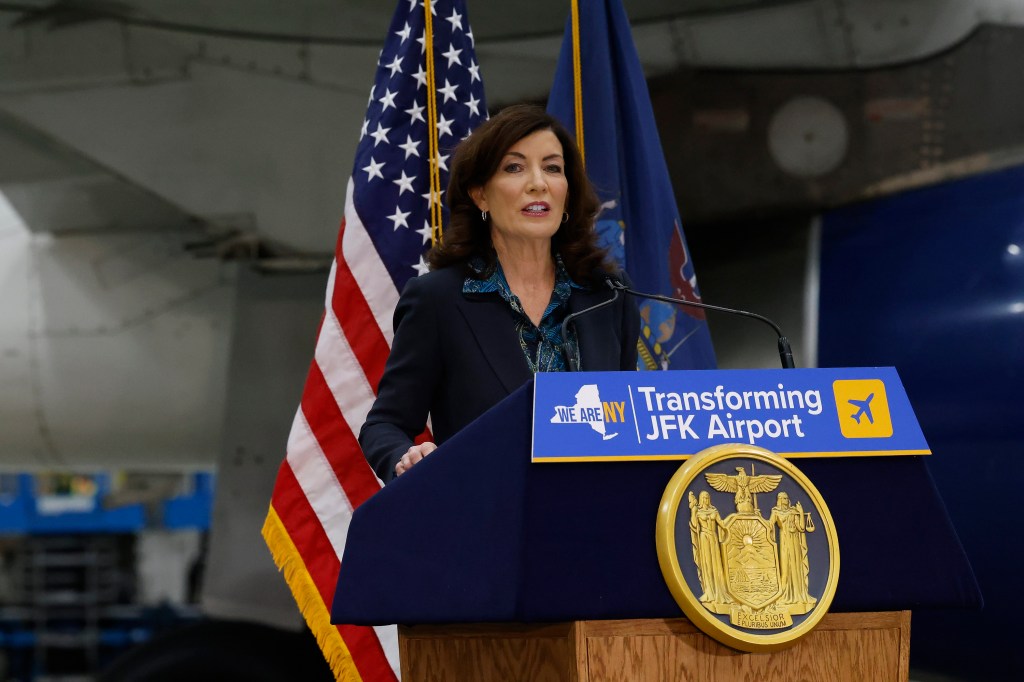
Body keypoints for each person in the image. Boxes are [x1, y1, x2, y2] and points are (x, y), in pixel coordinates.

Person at [359, 104, 640, 482]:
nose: (538, 182)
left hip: (596, 515)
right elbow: (384, 424)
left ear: (567, 193)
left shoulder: (607, 292)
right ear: (481, 196)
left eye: (553, 168)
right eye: (515, 167)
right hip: (490, 517)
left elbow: (628, 419)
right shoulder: (439, 300)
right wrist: (406, 457)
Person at [769, 492, 816, 607]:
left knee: (796, 566)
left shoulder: (793, 511)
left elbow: (801, 527)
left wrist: (800, 512)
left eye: (786, 498)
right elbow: (770, 525)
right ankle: (784, 593)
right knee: (786, 567)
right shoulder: (775, 511)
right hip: (785, 540)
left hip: (794, 541)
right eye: (783, 498)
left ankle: (799, 594)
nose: (785, 500)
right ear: (779, 499)